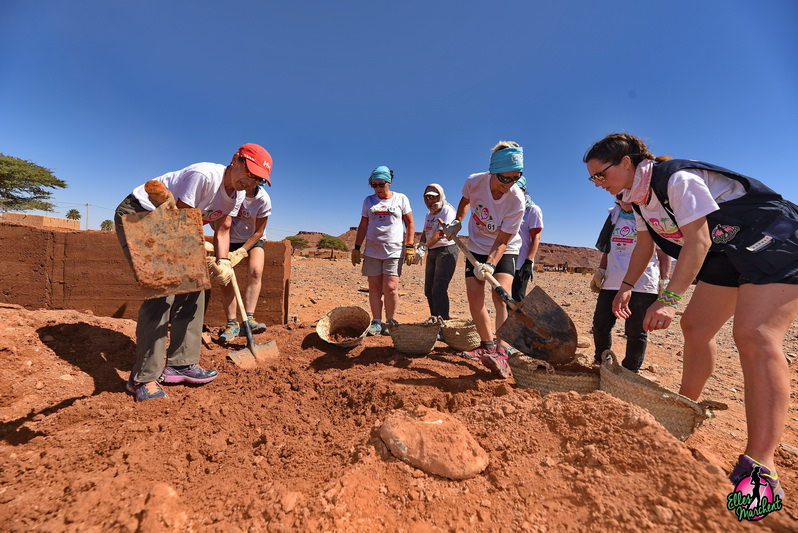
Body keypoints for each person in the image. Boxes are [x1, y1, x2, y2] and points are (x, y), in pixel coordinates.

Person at [584, 132, 798, 501]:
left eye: (600, 175)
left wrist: (668, 298)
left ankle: (761, 467)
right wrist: (627, 284)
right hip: (726, 253)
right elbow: (646, 243)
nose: (598, 184)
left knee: (754, 335)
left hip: (771, 237)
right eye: (593, 179)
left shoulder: (676, 179)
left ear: (625, 163)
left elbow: (697, 241)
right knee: (696, 326)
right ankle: (684, 413)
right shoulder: (634, 199)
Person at [115, 143, 273, 401]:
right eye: (250, 172)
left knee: (196, 288)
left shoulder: (239, 194)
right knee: (163, 290)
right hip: (142, 214)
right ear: (236, 159)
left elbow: (223, 229)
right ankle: (143, 377)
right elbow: (179, 221)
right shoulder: (205, 176)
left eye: (258, 178)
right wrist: (195, 245)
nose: (251, 180)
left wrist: (223, 261)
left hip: (178, 226)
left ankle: (180, 363)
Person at [442, 141, 526, 378]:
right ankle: (486, 345)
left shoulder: (517, 200)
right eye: (504, 179)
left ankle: (502, 351)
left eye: (515, 178)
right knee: (475, 298)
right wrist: (457, 222)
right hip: (476, 246)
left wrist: (490, 264)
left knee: (500, 296)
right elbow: (465, 200)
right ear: (492, 171)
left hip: (505, 249)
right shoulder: (474, 181)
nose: (508, 185)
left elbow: (502, 241)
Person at [590, 193, 671, 372]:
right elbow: (608, 248)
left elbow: (663, 253)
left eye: (629, 196)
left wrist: (665, 280)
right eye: (620, 196)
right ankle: (602, 361)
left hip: (643, 284)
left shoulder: (651, 216)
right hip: (612, 281)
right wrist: (601, 270)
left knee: (636, 331)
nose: (624, 200)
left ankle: (629, 371)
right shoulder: (614, 215)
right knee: (601, 324)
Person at [351, 166, 415, 335]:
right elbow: (363, 225)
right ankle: (377, 321)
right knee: (374, 288)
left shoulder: (401, 199)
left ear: (389, 182)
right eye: (374, 185)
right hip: (372, 250)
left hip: (394, 250)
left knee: (391, 287)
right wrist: (357, 247)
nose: (378, 188)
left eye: (381, 184)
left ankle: (391, 321)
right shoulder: (368, 201)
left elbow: (409, 223)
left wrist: (409, 245)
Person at [216, 181, 273, 343]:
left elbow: (259, 231)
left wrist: (241, 252)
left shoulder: (263, 199)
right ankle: (232, 324)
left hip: (253, 239)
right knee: (225, 277)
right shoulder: (231, 192)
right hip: (229, 238)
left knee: (256, 271)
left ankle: (249, 319)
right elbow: (220, 223)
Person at [416, 184, 459, 320]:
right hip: (432, 251)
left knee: (439, 288)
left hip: (446, 250)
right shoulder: (429, 214)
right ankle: (435, 319)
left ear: (440, 196)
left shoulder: (447, 210)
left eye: (433, 197)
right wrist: (421, 244)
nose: (430, 201)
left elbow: (440, 234)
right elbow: (425, 232)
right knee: (429, 289)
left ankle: (443, 322)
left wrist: (425, 247)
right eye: (427, 198)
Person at [511, 175, 543, 303]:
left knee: (518, 298)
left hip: (521, 263)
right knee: (504, 298)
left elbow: (536, 237)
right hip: (507, 260)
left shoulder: (532, 210)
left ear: (523, 190)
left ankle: (521, 324)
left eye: (517, 189)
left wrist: (528, 262)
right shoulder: (508, 209)